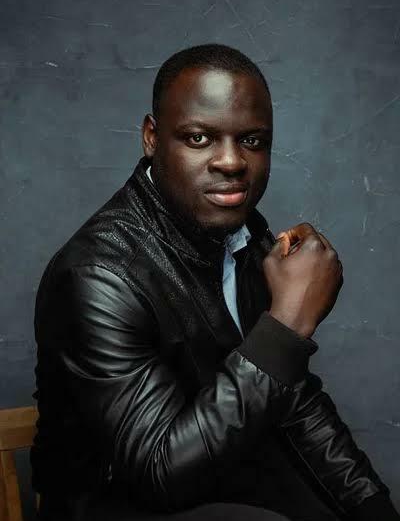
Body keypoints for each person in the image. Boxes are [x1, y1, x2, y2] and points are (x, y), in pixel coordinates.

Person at [31, 44, 399, 521]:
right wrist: (286, 325)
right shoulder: (98, 278)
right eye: (200, 138)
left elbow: (293, 398)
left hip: (224, 482)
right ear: (151, 137)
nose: (232, 162)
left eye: (252, 141)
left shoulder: (242, 236)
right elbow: (159, 473)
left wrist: (373, 509)